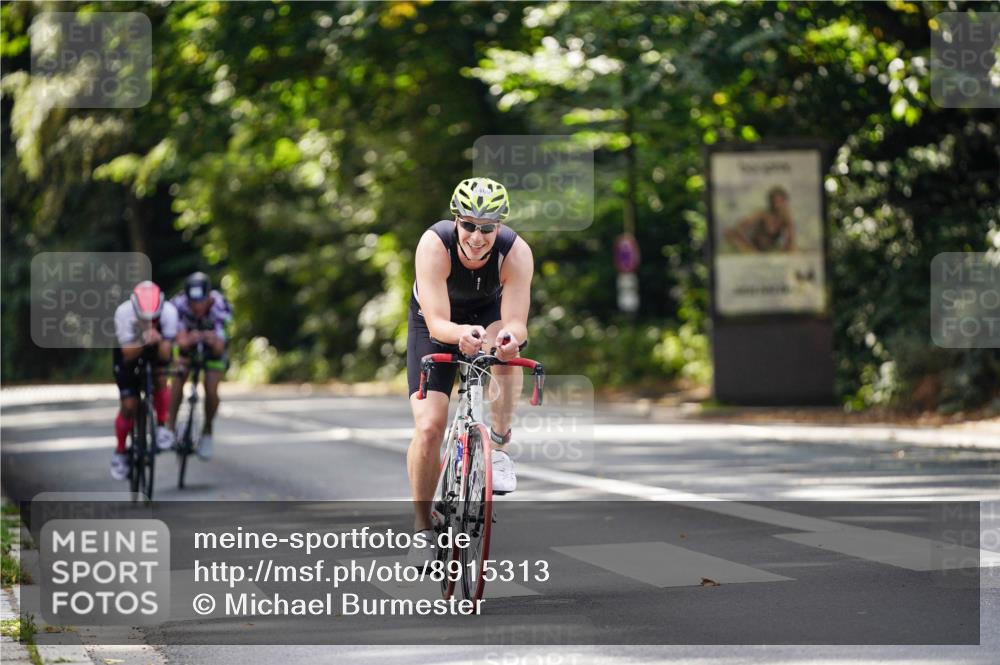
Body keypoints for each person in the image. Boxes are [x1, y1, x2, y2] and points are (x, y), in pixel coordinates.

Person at [404, 177, 534, 570]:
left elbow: (516, 322)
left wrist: (509, 338)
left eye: (488, 228)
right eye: (469, 226)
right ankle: (423, 526)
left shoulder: (515, 253)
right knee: (429, 427)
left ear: (500, 227)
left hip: (487, 318)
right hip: (436, 325)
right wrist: (460, 335)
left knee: (506, 353)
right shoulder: (434, 245)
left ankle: (497, 445)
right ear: (456, 220)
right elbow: (439, 321)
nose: (478, 237)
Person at [110, 281, 178, 480]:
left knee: (161, 377)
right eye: (144, 318)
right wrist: (143, 340)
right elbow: (127, 354)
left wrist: (158, 341)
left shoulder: (169, 313)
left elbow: (166, 356)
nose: (149, 321)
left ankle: (162, 425)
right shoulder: (123, 313)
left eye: (154, 318)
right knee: (129, 404)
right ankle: (121, 451)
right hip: (128, 353)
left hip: (156, 350)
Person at [168, 271, 232, 461]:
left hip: (213, 351)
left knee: (211, 389)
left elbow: (221, 347)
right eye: (192, 302)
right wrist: (187, 340)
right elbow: (176, 340)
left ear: (208, 297)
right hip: (187, 347)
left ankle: (207, 430)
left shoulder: (221, 306)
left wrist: (211, 340)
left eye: (201, 301)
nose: (196, 306)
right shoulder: (177, 305)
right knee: (178, 377)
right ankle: (170, 429)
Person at [724, 186, 796, 253]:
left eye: (780, 201)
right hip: (753, 247)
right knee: (729, 233)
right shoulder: (762, 214)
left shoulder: (786, 218)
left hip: (769, 248)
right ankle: (751, 252)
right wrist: (746, 244)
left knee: (794, 250)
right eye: (774, 201)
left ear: (784, 202)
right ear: (770, 201)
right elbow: (739, 227)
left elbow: (790, 240)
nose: (777, 204)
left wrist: (787, 248)